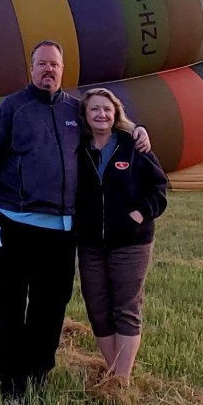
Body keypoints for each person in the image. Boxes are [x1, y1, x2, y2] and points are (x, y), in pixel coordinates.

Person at [0, 41, 151, 404]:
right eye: (41, 64)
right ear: (31, 68)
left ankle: (38, 376)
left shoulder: (75, 110)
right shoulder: (12, 108)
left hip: (61, 230)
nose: (48, 70)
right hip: (15, 223)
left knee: (50, 307)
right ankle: (11, 385)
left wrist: (136, 131)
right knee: (9, 304)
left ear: (63, 68)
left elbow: (107, 130)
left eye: (54, 65)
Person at [74, 87, 168, 387]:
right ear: (85, 116)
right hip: (90, 242)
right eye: (94, 110)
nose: (101, 114)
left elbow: (158, 187)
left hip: (131, 241)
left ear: (116, 114)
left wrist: (140, 214)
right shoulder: (77, 149)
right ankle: (113, 370)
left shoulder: (132, 145)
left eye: (106, 109)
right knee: (97, 305)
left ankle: (120, 381)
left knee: (125, 305)